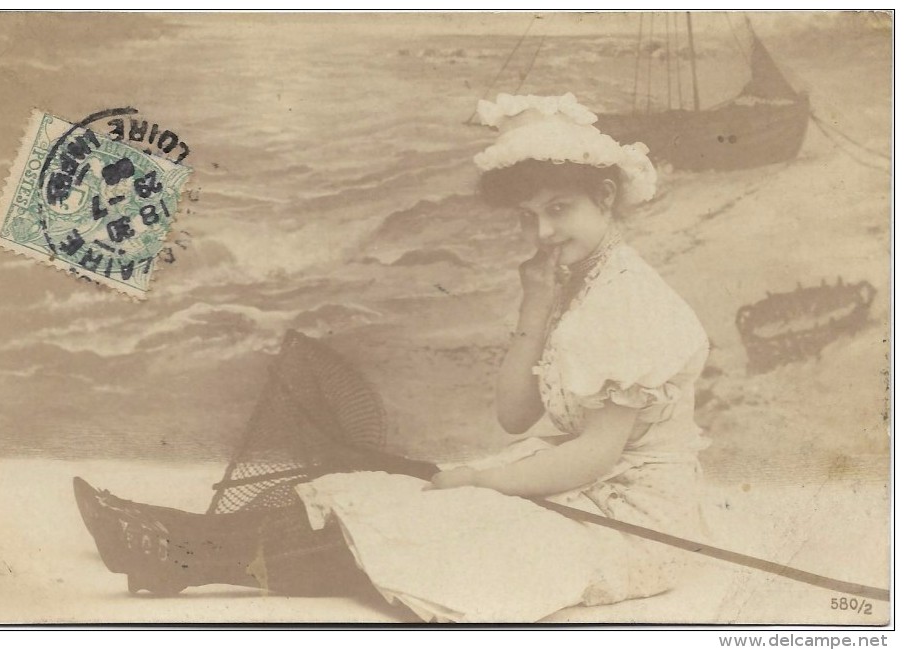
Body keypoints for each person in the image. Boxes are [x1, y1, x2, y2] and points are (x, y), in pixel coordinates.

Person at [74, 93, 711, 623]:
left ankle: (174, 552)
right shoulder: (578, 283)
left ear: (604, 196)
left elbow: (595, 454)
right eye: (529, 216)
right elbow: (516, 415)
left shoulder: (631, 303)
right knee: (392, 498)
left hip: (627, 520)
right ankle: (165, 538)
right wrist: (535, 305)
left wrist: (482, 481)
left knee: (440, 526)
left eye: (558, 210)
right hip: (575, 483)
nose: (543, 234)